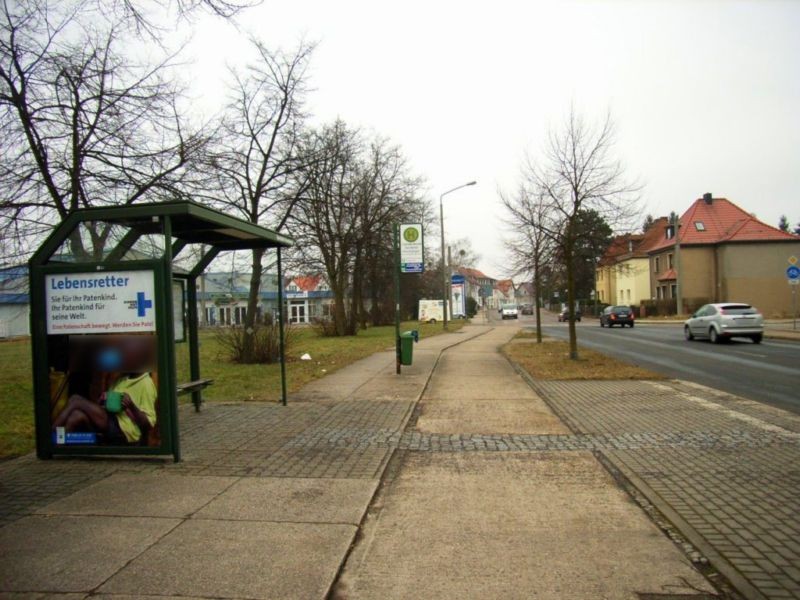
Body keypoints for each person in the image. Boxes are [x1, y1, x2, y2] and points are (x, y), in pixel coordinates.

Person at [51, 336, 158, 445]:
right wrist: (103, 400)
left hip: (123, 429)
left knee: (75, 400)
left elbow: (149, 424)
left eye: (126, 357)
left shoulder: (146, 383)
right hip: (111, 419)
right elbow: (109, 406)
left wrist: (131, 406)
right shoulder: (122, 379)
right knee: (76, 416)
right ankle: (60, 444)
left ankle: (50, 433)